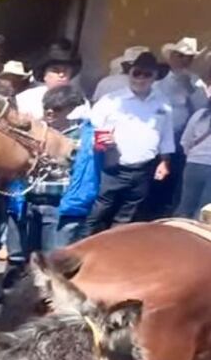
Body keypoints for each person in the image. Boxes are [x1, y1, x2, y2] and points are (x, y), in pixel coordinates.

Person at [88, 51, 174, 233]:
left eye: (147, 74)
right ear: (129, 73)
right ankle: (83, 244)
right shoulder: (111, 101)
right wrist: (102, 142)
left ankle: (114, 247)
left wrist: (165, 161)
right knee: (98, 211)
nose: (141, 78)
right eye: (137, 73)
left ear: (155, 77)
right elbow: (90, 129)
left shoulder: (163, 103)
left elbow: (166, 135)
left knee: (127, 215)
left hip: (144, 168)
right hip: (112, 166)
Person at [12, 84, 99, 252]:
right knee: (31, 259)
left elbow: (86, 173)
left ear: (72, 109)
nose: (50, 112)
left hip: (60, 207)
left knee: (54, 260)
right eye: (46, 108)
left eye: (57, 109)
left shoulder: (84, 136)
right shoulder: (36, 132)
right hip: (31, 203)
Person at [151, 37, 209, 217]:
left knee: (180, 192)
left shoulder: (197, 83)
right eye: (180, 55)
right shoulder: (159, 83)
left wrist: (190, 90)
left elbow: (202, 112)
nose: (184, 60)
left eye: (188, 57)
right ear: (172, 57)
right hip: (161, 142)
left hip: (186, 145)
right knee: (154, 186)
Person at [16, 44, 84, 119]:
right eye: (55, 70)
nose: (61, 74)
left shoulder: (80, 104)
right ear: (44, 75)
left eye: (65, 70)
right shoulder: (25, 99)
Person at [177, 106, 211, 219]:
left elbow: (185, 141)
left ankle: (179, 227)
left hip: (194, 164)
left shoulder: (200, 114)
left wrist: (193, 155)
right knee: (206, 209)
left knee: (186, 205)